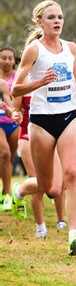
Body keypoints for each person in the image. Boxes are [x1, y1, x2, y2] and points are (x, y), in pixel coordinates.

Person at [11, 0, 76, 256]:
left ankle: (74, 236)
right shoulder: (34, 50)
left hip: (68, 116)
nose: (57, 21)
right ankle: (20, 189)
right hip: (42, 121)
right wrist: (39, 82)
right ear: (39, 22)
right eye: (51, 17)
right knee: (50, 187)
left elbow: (75, 77)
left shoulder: (71, 48)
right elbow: (16, 88)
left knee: (72, 174)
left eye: (60, 17)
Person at [0, 47, 20, 211]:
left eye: (9, 58)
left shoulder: (19, 77)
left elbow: (10, 100)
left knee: (9, 159)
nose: (6, 61)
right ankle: (6, 195)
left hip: (13, 123)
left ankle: (5, 189)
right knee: (4, 154)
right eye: (3, 58)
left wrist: (13, 112)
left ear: (14, 60)